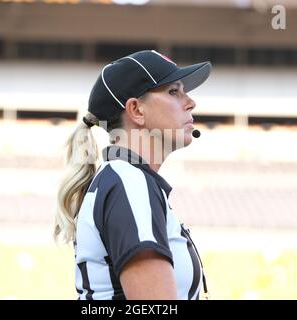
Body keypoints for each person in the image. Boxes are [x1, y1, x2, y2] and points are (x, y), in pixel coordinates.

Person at [54, 49, 212, 300]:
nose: (191, 102)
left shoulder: (125, 178)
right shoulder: (130, 183)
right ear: (136, 110)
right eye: (174, 91)